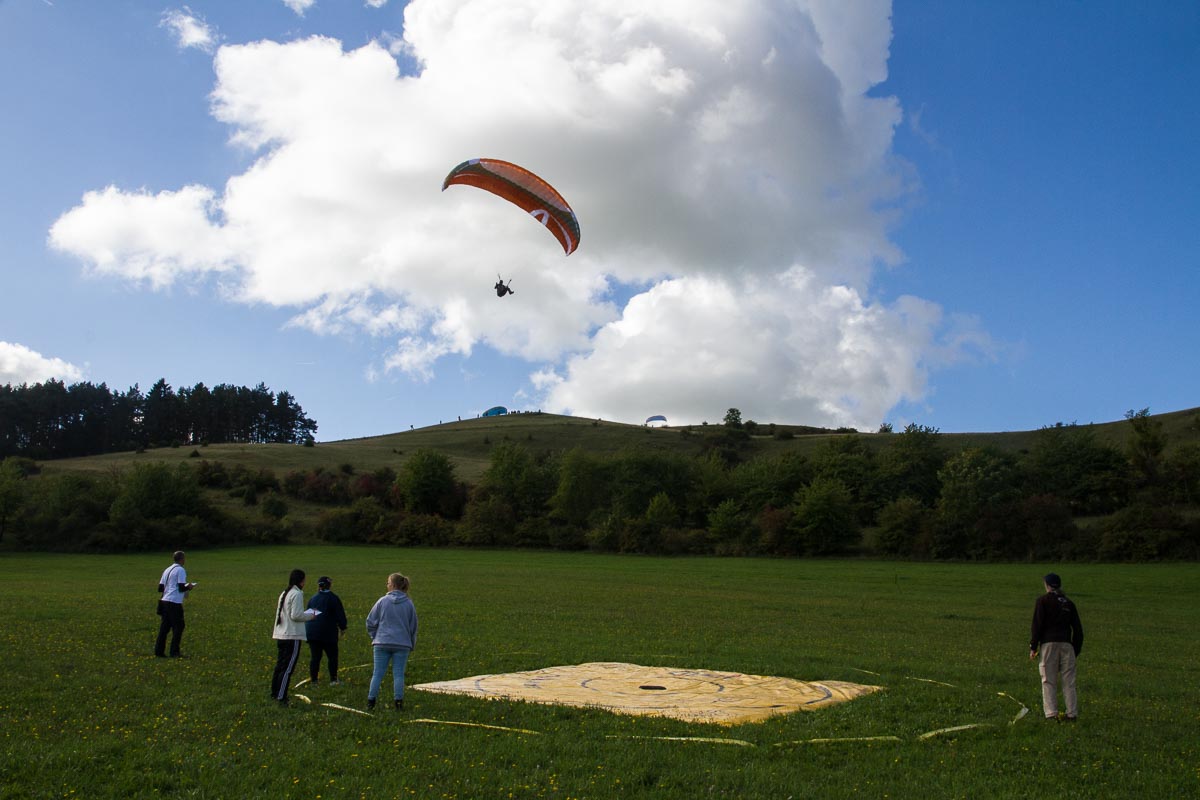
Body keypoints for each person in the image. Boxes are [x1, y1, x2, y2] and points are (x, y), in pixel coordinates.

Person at [1029, 572, 1084, 721]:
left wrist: (1033, 646)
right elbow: (1078, 630)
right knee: (1069, 682)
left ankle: (1051, 713)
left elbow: (1037, 625)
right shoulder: (1069, 603)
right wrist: (1075, 649)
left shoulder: (1043, 601)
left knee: (1048, 680)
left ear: (1047, 585)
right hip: (1067, 645)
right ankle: (1072, 713)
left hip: (1049, 644)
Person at [365, 573, 418, 711]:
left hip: (381, 642)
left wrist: (375, 637)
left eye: (388, 582)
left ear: (393, 585)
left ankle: (371, 701)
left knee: (377, 673)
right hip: (402, 644)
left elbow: (370, 622)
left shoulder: (382, 601)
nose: (387, 585)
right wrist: (411, 643)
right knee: (398, 674)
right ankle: (398, 702)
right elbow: (413, 626)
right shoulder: (408, 603)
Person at [272, 569, 319, 706]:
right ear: (301, 581)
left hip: (281, 634)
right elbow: (296, 615)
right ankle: (281, 697)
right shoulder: (297, 594)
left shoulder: (284, 593)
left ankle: (275, 692)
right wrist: (311, 615)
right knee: (287, 669)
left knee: (280, 666)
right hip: (292, 636)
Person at [306, 576, 348, 686]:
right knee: (332, 656)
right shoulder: (333, 598)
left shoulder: (313, 598)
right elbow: (340, 615)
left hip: (312, 632)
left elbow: (309, 615)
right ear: (329, 585)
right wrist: (343, 627)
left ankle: (314, 680)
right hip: (327, 633)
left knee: (315, 657)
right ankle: (333, 680)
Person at [155, 551, 196, 658]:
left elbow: (160, 588)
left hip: (164, 601)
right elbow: (181, 587)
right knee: (179, 627)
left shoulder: (167, 570)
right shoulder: (180, 570)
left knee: (164, 628)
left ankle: (159, 651)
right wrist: (189, 587)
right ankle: (174, 652)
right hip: (174, 602)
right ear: (182, 559)